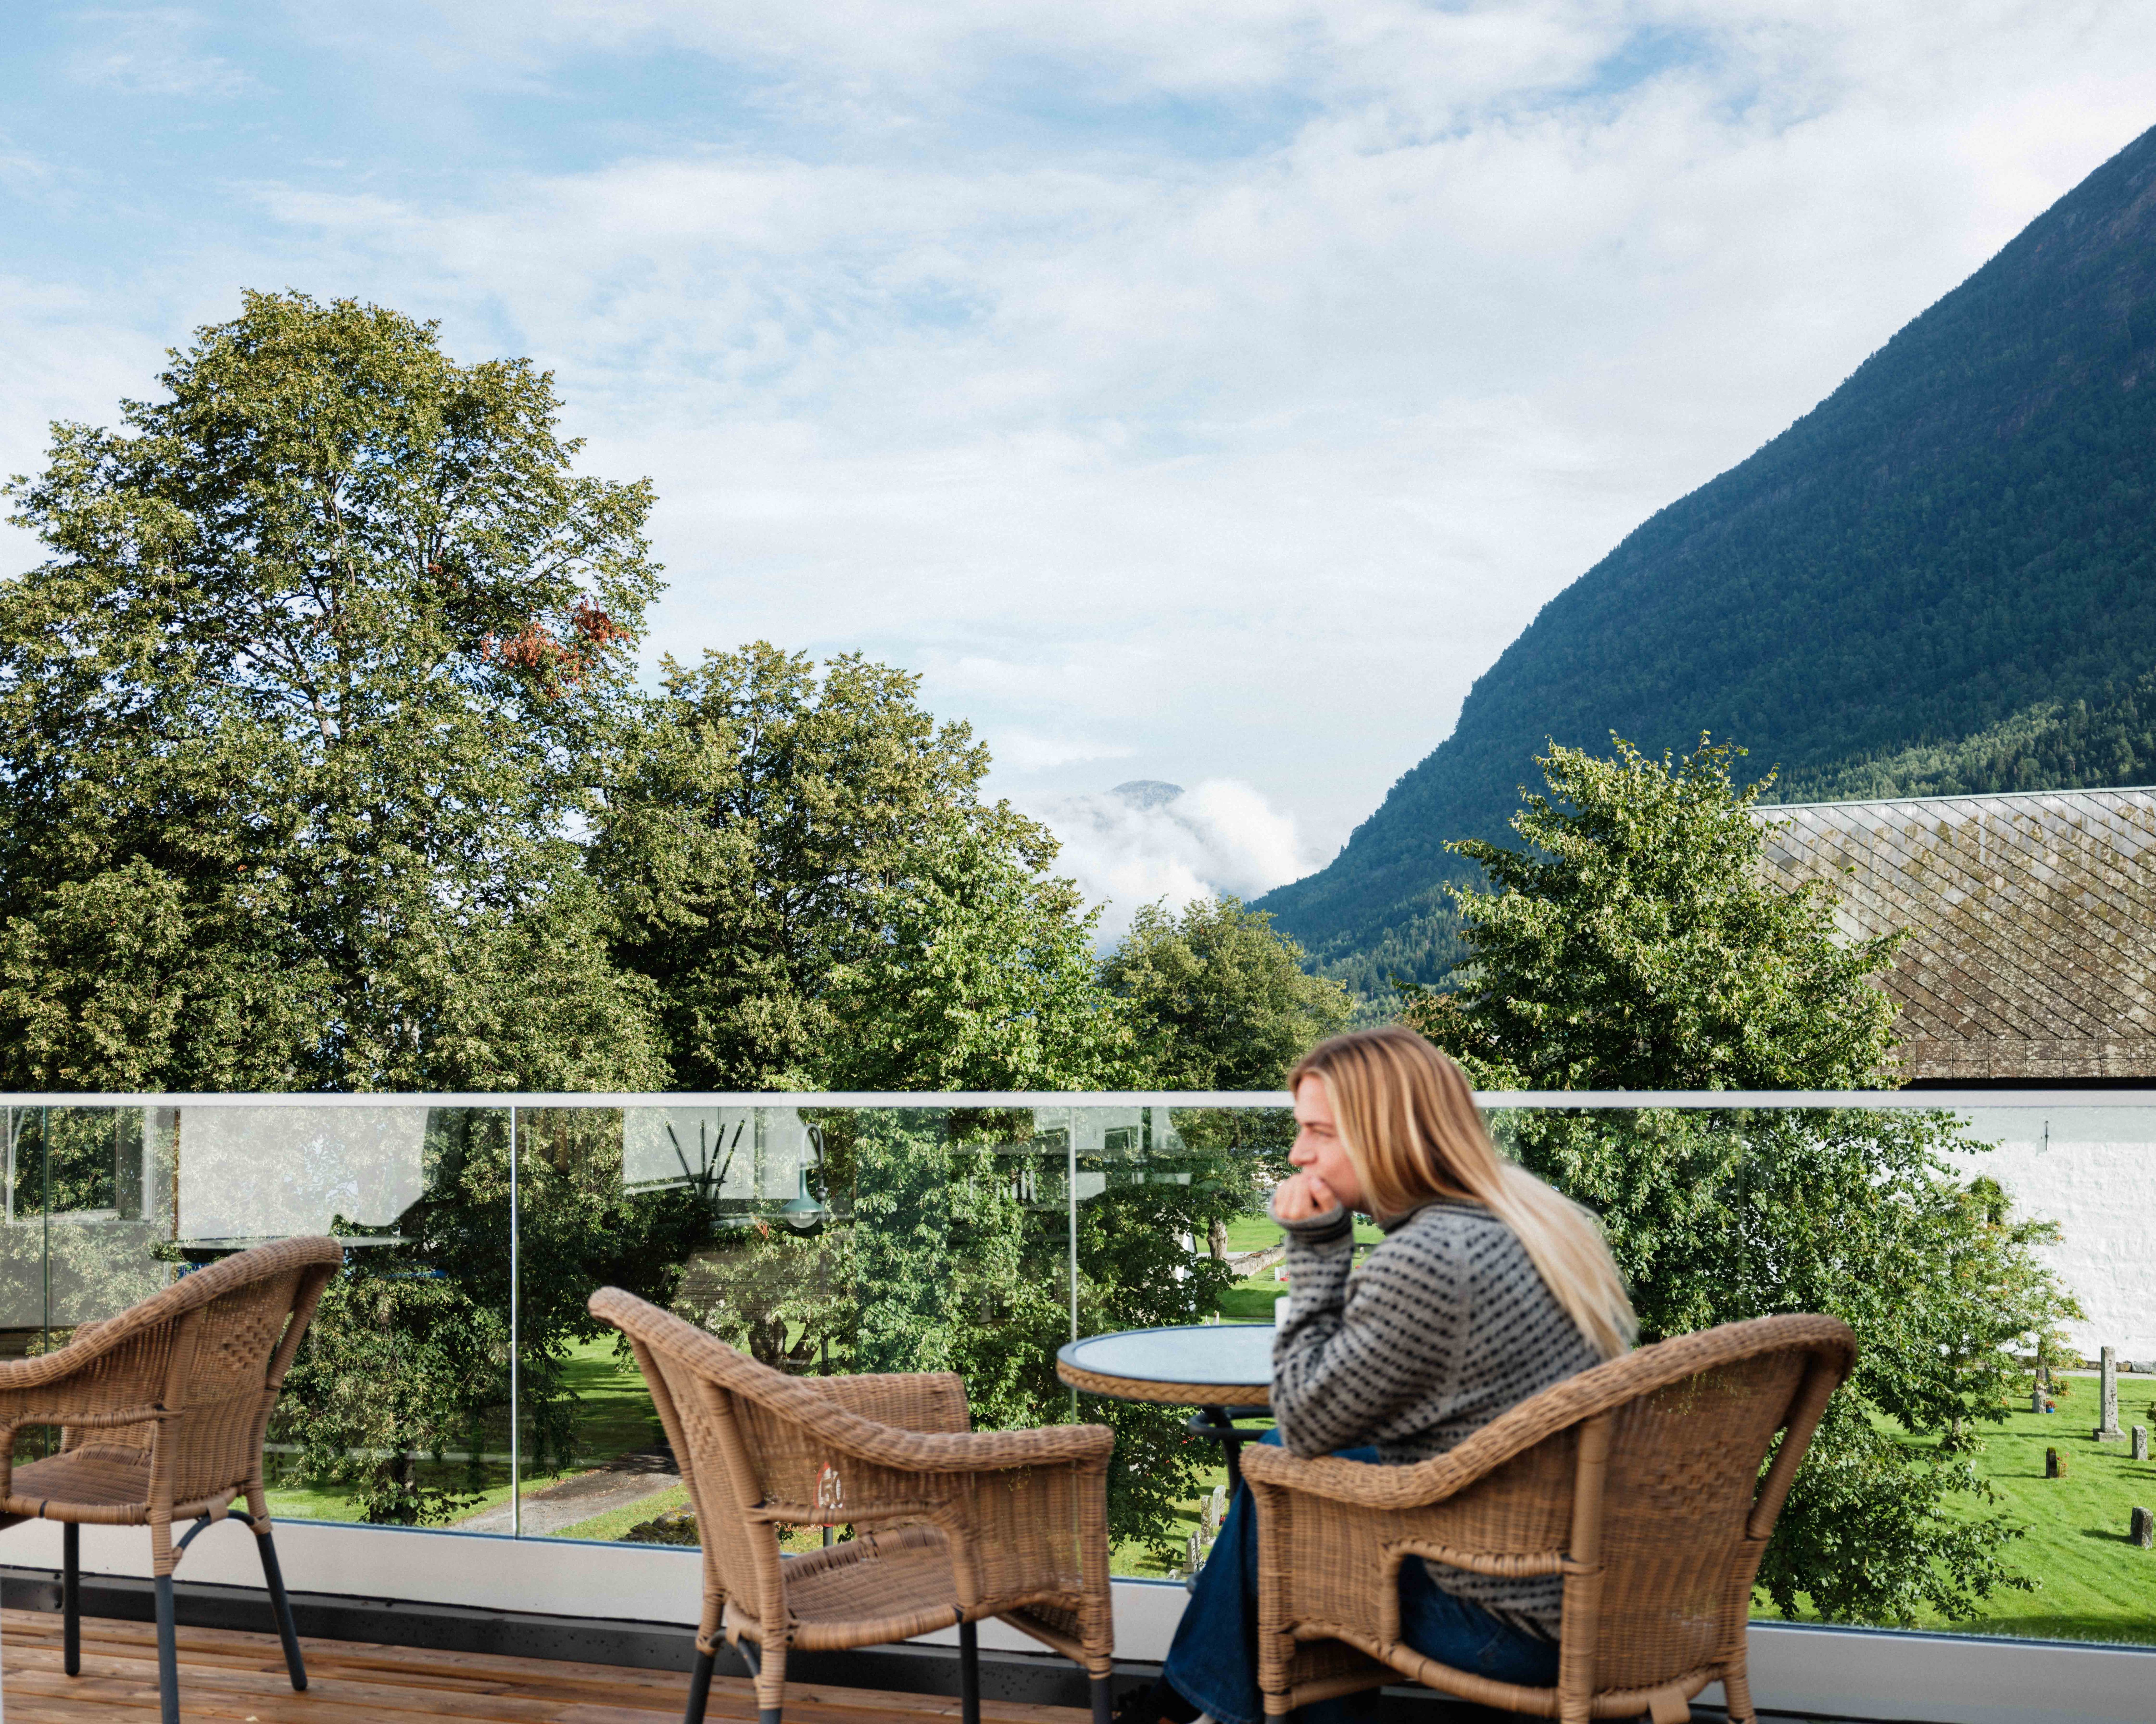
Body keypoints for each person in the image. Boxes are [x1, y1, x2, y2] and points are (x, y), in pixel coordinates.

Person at [1118, 1026, 1636, 1724]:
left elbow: (1305, 1421)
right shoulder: (1530, 1216)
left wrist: (1316, 1252)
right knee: (1274, 1469)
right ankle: (1177, 1705)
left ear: (1391, 1134)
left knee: (1287, 1508)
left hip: (1515, 1624)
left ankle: (1178, 1707)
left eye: (1320, 1133)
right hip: (1604, 1590)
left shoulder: (1431, 1257)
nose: (1298, 1154)